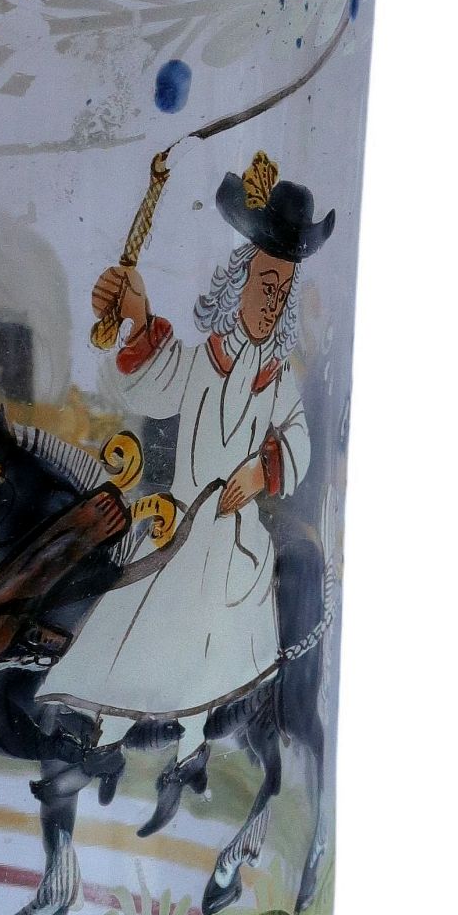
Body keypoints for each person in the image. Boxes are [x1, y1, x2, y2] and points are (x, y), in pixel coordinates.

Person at [37, 149, 334, 742]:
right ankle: (103, 723)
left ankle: (199, 728)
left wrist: (262, 472)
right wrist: (136, 314)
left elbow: (299, 438)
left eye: (283, 292)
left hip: (237, 539)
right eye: (265, 285)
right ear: (237, 282)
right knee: (135, 601)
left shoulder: (276, 382)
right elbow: (151, 384)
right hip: (181, 519)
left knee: (219, 596)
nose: (272, 303)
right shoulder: (203, 364)